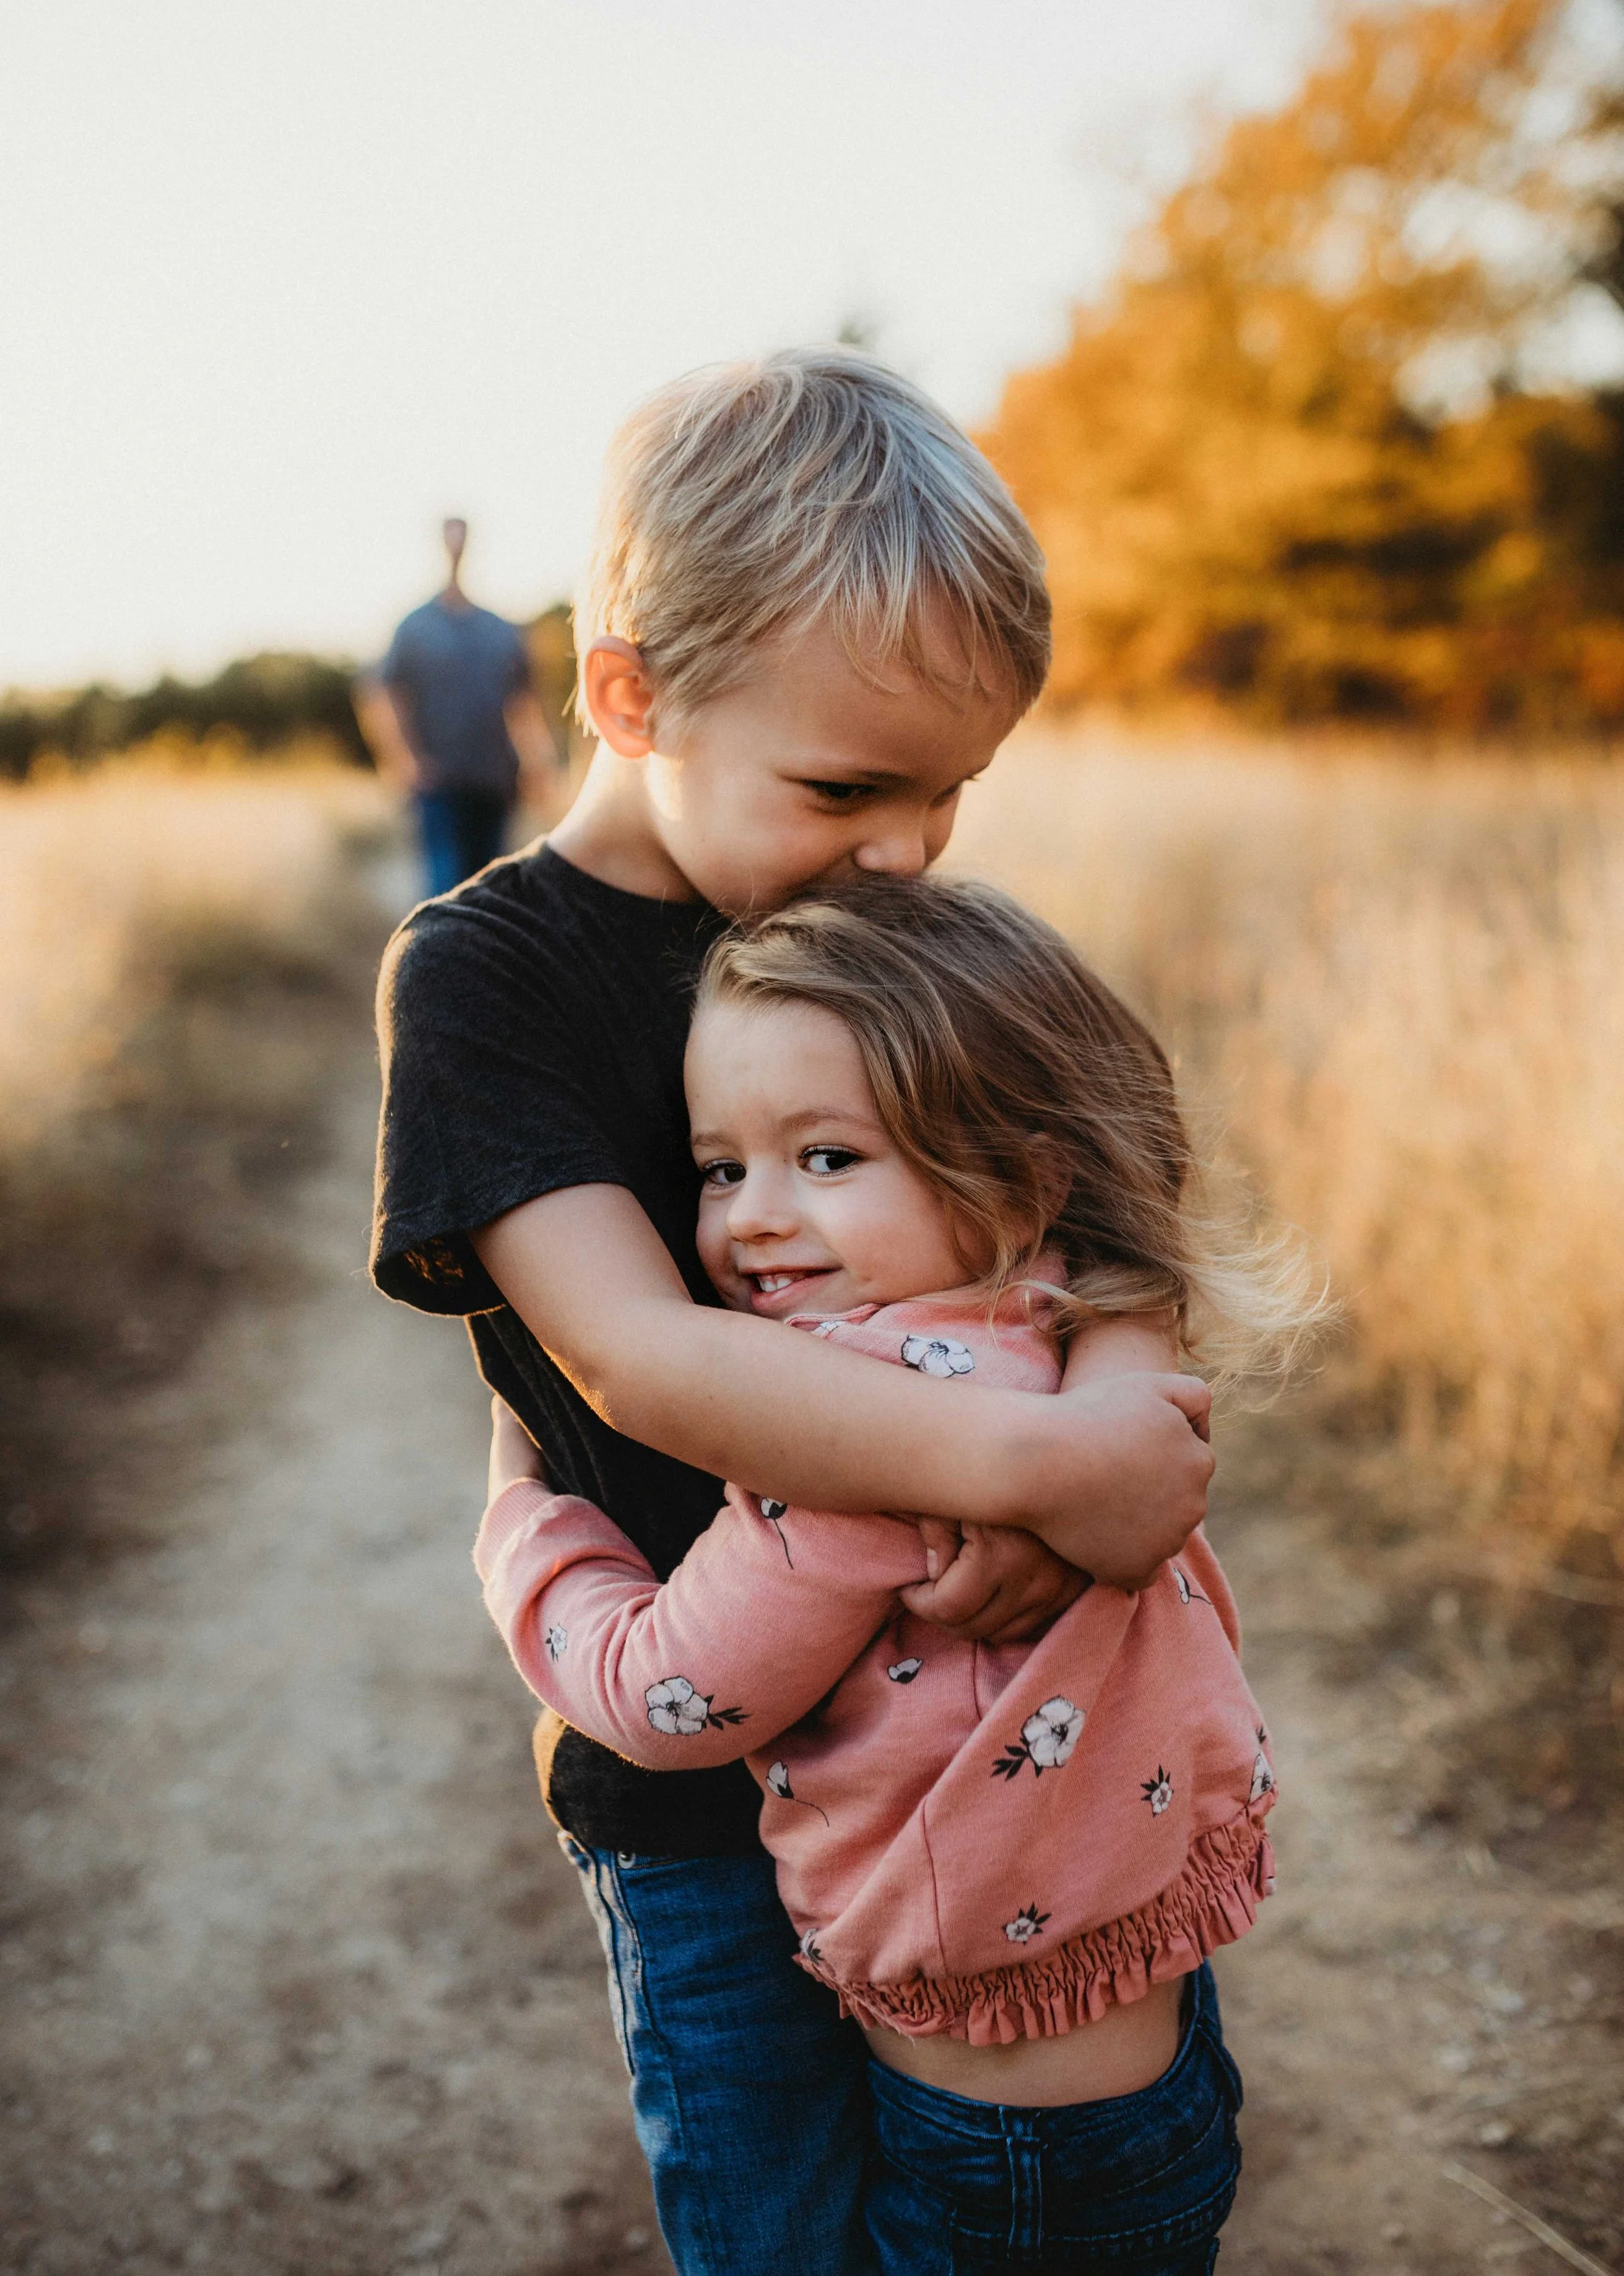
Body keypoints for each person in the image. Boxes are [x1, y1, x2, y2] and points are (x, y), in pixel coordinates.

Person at [371, 350, 1215, 2276]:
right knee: (774, 2227)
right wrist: (1031, 1458)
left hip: (1013, 1750)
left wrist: (1120, 1415)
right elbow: (635, 1353)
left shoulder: (898, 934)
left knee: (1042, 2203)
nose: (911, 844)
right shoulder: (492, 977)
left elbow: (1114, 1199)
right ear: (626, 694)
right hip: (698, 1807)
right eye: (850, 785)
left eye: (950, 789)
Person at [478, 874, 1317, 2270]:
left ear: (1015, 1169)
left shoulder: (859, 1434)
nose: (750, 1219)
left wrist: (523, 1515)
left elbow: (661, 1694)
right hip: (1140, 2076)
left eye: (824, 1160)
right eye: (720, 1167)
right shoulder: (1051, 1317)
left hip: (1003, 2159)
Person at [355, 516, 557, 894]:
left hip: (494, 780)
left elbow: (524, 703)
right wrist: (403, 760)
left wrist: (537, 766)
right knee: (445, 890)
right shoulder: (414, 628)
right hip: (438, 784)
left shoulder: (500, 630)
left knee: (488, 891)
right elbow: (381, 693)